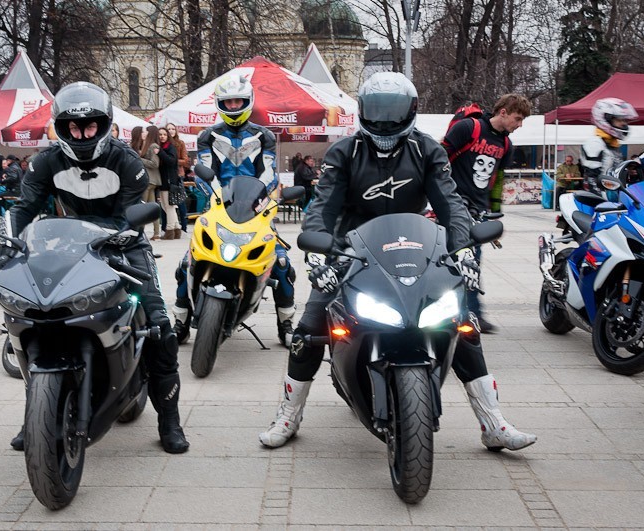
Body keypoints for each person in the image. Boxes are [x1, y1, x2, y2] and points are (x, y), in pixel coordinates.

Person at [258, 72, 536, 453]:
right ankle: (289, 414)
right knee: (309, 330)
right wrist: (318, 254)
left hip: (414, 247)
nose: (385, 120)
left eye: (394, 111)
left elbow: (450, 204)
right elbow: (322, 206)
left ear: (411, 111)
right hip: (350, 249)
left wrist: (463, 249)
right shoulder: (345, 152)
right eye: (377, 111)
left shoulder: (427, 150)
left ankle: (493, 422)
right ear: (363, 111)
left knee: (462, 323)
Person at [0, 81, 189, 454]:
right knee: (34, 317)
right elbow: (24, 207)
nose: (81, 133)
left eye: (89, 126)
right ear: (61, 127)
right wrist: (8, 245)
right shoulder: (45, 161)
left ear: (104, 125)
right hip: (66, 242)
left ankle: (169, 420)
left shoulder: (127, 161)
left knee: (158, 324)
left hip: (124, 241)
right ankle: (35, 412)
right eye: (72, 126)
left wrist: (121, 237)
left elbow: (131, 216)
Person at [172, 73, 296, 346]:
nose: (233, 107)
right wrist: (217, 196)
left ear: (248, 102)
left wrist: (263, 199)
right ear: (220, 104)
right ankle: (180, 323)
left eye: (238, 101)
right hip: (219, 207)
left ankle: (285, 323)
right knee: (186, 263)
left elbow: (268, 172)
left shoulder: (263, 136)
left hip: (255, 208)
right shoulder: (208, 136)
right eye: (228, 102)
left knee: (282, 263)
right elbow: (206, 172)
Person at [442, 93, 532, 333]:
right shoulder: (468, 128)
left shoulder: (505, 145)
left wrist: (495, 216)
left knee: (473, 264)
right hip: (453, 206)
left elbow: (498, 180)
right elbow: (438, 160)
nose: (519, 125)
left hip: (478, 212)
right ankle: (458, 315)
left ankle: (472, 315)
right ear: (503, 112)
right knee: (451, 262)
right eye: (518, 118)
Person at [581, 98, 638, 195]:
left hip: (615, 196)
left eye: (624, 120)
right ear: (605, 119)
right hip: (603, 201)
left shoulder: (613, 144)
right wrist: (602, 203)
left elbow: (613, 172)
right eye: (619, 119)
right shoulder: (595, 143)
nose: (624, 124)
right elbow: (590, 180)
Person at [133, 125, 162, 240]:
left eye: (146, 132)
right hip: (150, 180)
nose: (144, 133)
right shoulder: (146, 146)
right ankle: (156, 233)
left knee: (143, 206)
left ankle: (141, 232)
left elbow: (155, 164)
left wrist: (139, 159)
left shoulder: (153, 146)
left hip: (150, 180)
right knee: (151, 207)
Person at [156, 126, 181, 239]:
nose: (162, 136)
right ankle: (176, 228)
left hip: (168, 180)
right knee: (167, 206)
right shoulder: (163, 147)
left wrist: (160, 152)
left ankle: (170, 230)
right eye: (160, 134)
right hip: (164, 180)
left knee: (168, 206)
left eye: (164, 134)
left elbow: (171, 161)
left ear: (168, 136)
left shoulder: (170, 147)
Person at [166, 123, 190, 232]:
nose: (171, 130)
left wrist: (172, 160)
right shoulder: (163, 144)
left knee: (180, 202)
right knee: (165, 202)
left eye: (172, 128)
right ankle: (165, 227)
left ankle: (184, 227)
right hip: (165, 174)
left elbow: (185, 160)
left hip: (178, 174)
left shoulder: (180, 143)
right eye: (168, 129)